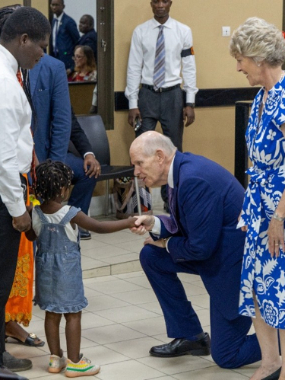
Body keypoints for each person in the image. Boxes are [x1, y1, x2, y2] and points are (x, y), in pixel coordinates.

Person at [130, 131, 262, 369]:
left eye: (139, 163)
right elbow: (191, 225)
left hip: (233, 266)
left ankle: (279, 342)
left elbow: (200, 247)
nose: (136, 172)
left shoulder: (193, 179)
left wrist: (168, 243)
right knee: (151, 256)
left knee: (227, 356)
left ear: (159, 156)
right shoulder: (181, 169)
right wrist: (155, 223)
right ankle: (191, 336)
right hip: (215, 251)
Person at [25, 160, 137, 377]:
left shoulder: (36, 213)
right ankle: (75, 362)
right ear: (62, 189)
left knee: (51, 313)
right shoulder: (71, 213)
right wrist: (128, 222)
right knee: (73, 315)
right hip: (67, 273)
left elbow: (31, 236)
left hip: (45, 273)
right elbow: (100, 227)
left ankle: (55, 358)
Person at [230, 17, 285, 380]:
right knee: (256, 284)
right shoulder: (262, 96)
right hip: (258, 203)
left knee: (281, 289)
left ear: (259, 58)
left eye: (241, 59)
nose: (238, 67)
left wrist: (279, 217)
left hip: (280, 206)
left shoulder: (283, 97)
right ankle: (270, 360)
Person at [0, 6, 50, 380]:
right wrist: (18, 209)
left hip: (10, 188)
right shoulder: (4, 84)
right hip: (4, 193)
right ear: (23, 39)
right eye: (41, 46)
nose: (43, 54)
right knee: (1, 278)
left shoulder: (9, 72)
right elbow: (3, 156)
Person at [125, 0, 197, 210]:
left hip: (173, 96)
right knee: (141, 151)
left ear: (170, 3)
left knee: (174, 152)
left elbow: (190, 67)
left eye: (164, 1)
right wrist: (132, 103)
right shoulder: (141, 32)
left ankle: (172, 202)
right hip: (146, 95)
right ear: (151, 4)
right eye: (156, 1)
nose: (160, 5)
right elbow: (133, 67)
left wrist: (190, 101)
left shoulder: (183, 31)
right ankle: (143, 205)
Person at [29, 53, 101, 240]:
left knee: (88, 171)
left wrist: (88, 153)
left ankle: (74, 220)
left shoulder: (56, 82)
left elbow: (72, 126)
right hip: (33, 155)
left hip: (58, 154)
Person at [50, 0, 80, 74]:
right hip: (55, 56)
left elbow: (77, 40)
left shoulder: (69, 21)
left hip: (66, 58)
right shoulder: (53, 21)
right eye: (52, 5)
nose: (54, 7)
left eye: (57, 5)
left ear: (63, 6)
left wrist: (72, 66)